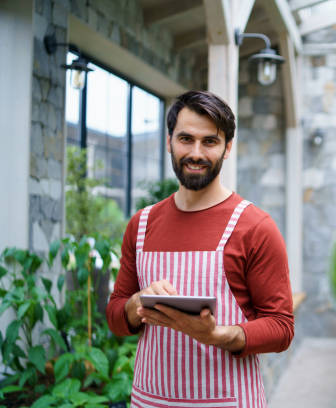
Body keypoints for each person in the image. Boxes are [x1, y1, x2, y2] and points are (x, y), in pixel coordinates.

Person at [106, 90, 294, 408]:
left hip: (228, 401)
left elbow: (281, 327)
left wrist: (216, 334)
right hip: (150, 400)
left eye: (210, 141)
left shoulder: (255, 227)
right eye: (185, 139)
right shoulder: (141, 224)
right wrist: (137, 302)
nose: (196, 152)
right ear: (169, 142)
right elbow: (115, 317)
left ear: (227, 148)